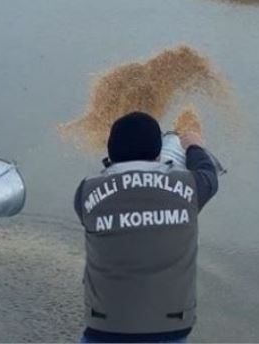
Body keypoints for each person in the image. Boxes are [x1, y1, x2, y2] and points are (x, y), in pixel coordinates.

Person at [73, 111, 219, 343]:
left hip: (105, 328)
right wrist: (194, 146)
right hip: (170, 327)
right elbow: (209, 174)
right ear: (158, 153)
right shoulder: (190, 187)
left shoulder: (86, 191)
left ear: (111, 152)